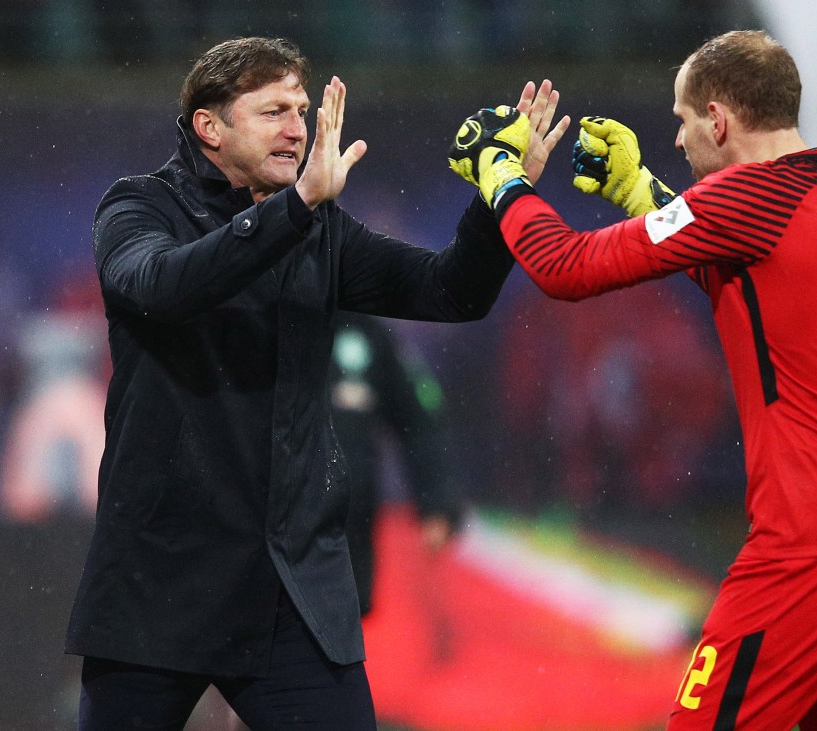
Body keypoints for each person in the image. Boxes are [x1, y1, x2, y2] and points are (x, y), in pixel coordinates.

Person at [448, 29, 817, 729]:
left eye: (683, 122)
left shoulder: (751, 197)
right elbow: (750, 266)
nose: (679, 142)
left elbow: (564, 266)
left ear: (718, 119)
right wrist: (635, 188)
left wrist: (502, 179)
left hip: (815, 541)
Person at [65, 36, 569, 731]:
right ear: (210, 127)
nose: (298, 127)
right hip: (162, 582)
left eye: (302, 109)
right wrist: (294, 206)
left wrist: (501, 197)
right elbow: (160, 286)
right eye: (274, 110)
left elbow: (451, 291)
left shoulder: (318, 228)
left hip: (289, 589)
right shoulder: (136, 208)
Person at [329, 312, 462, 617]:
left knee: (337, 635)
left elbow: (419, 418)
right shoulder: (259, 314)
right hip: (263, 515)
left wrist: (438, 501)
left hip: (345, 522)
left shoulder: (368, 333)